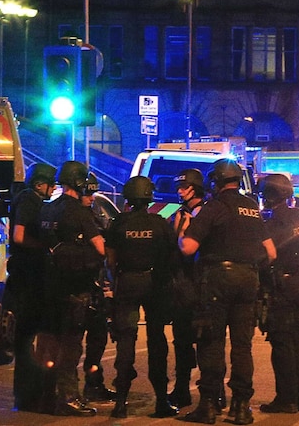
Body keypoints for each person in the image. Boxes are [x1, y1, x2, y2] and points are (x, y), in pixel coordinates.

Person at [178, 159, 277, 425]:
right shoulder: (251, 207)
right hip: (248, 279)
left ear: (216, 181)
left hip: (217, 280)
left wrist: (183, 230)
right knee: (242, 346)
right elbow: (271, 252)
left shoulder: (214, 207)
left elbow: (187, 248)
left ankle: (209, 406)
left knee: (212, 342)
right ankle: (241, 407)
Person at [107, 176, 180, 419]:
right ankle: (161, 401)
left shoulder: (119, 223)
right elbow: (172, 256)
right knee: (156, 340)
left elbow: (110, 259)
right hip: (155, 283)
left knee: (125, 340)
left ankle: (120, 402)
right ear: (149, 196)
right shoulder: (159, 224)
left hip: (127, 282)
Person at [36, 161, 104, 417]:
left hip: (49, 287)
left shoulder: (48, 209)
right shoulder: (79, 212)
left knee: (49, 344)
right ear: (78, 182)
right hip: (75, 289)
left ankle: (45, 397)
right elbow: (99, 247)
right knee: (71, 346)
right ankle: (68, 398)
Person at [256, 174, 299, 414]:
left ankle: (286, 398)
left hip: (282, 286)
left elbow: (268, 255)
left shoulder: (271, 224)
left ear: (270, 197)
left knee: (282, 342)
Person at [4, 162, 56, 412]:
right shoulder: (28, 200)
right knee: (27, 339)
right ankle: (26, 396)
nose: (53, 188)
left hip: (27, 277)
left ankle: (29, 394)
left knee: (28, 339)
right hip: (27, 278)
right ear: (39, 184)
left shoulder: (31, 199)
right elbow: (19, 235)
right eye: (50, 183)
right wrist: (44, 247)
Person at [167, 168, 205, 409]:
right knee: (181, 341)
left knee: (207, 341)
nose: (180, 191)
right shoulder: (179, 212)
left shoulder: (207, 213)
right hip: (183, 285)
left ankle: (212, 392)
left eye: (184, 187)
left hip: (202, 284)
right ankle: (182, 389)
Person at [78, 172, 117, 402]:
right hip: (81, 285)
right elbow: (102, 248)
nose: (92, 197)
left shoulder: (90, 213)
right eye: (88, 193)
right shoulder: (77, 215)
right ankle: (76, 388)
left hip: (92, 284)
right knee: (76, 341)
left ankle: (93, 383)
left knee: (97, 337)